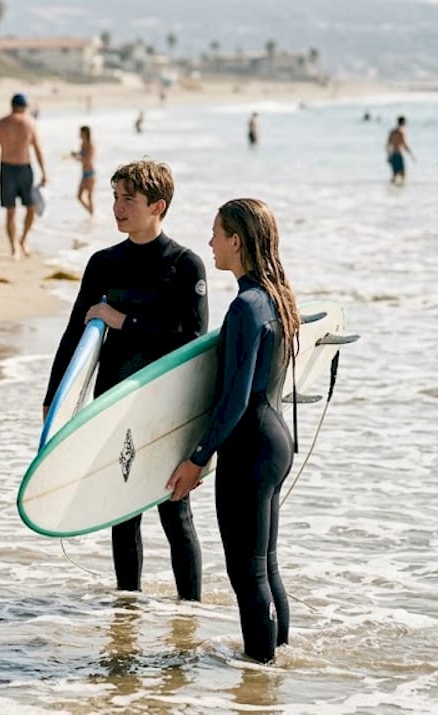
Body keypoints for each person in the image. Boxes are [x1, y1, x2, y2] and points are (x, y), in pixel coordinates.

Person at [43, 159, 207, 602]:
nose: (117, 207)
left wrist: (123, 321)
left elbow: (192, 338)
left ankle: (188, 615)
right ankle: (128, 612)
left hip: (168, 409)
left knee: (176, 512)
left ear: (158, 206)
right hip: (112, 403)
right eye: (114, 197)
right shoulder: (103, 264)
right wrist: (54, 399)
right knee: (122, 513)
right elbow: (75, 333)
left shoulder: (186, 266)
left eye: (127, 199)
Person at [166, 198, 301, 664]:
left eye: (216, 233)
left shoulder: (246, 306)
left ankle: (259, 678)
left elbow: (234, 399)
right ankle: (278, 662)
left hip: (249, 448)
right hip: (276, 442)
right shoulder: (277, 297)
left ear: (236, 241)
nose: (210, 243)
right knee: (267, 565)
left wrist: (196, 458)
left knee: (248, 574)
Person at [0, 93, 48, 259]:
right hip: (25, 169)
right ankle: (22, 241)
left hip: (7, 170)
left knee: (10, 212)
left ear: (11, 105)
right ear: (25, 107)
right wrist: (44, 172)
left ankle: (15, 247)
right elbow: (38, 149)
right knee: (30, 209)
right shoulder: (30, 123)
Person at [73, 125, 96, 215]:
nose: (79, 134)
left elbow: (88, 160)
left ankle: (92, 215)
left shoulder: (91, 146)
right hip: (84, 173)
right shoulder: (82, 144)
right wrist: (76, 153)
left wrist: (77, 158)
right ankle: (91, 213)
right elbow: (82, 155)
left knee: (89, 197)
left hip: (90, 174)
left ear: (85, 133)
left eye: (81, 132)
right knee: (79, 196)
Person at [386, 115, 414, 185]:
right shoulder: (401, 132)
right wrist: (411, 154)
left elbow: (388, 144)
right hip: (398, 154)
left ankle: (392, 190)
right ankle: (400, 192)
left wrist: (389, 155)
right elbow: (404, 145)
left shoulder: (392, 132)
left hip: (393, 154)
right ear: (403, 122)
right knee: (403, 174)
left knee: (394, 175)